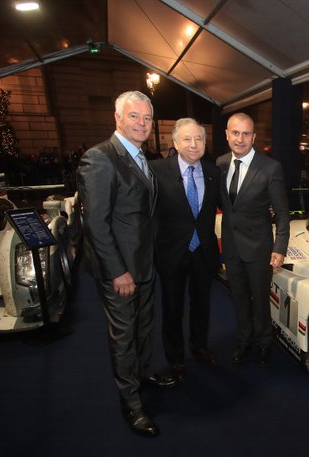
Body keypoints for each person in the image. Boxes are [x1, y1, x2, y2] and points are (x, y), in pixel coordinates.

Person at [77, 90, 177, 438]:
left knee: (144, 325)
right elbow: (96, 224)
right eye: (134, 116)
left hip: (144, 264)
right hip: (119, 270)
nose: (142, 123)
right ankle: (131, 403)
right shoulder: (100, 158)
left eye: (147, 118)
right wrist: (118, 271)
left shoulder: (140, 157)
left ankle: (146, 371)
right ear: (117, 118)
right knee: (123, 336)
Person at [216, 112, 290, 366]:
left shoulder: (271, 168)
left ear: (254, 137)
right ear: (227, 135)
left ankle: (263, 343)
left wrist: (280, 247)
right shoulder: (220, 163)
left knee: (260, 300)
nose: (240, 139)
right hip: (231, 247)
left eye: (246, 133)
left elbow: (282, 213)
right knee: (238, 298)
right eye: (235, 133)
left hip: (259, 248)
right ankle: (243, 340)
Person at [152, 118, 221, 379]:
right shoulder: (156, 170)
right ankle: (175, 357)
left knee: (202, 305)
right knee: (172, 308)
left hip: (204, 252)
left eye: (199, 139)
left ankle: (199, 347)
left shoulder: (214, 173)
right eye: (188, 139)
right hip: (171, 253)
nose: (194, 144)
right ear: (175, 142)